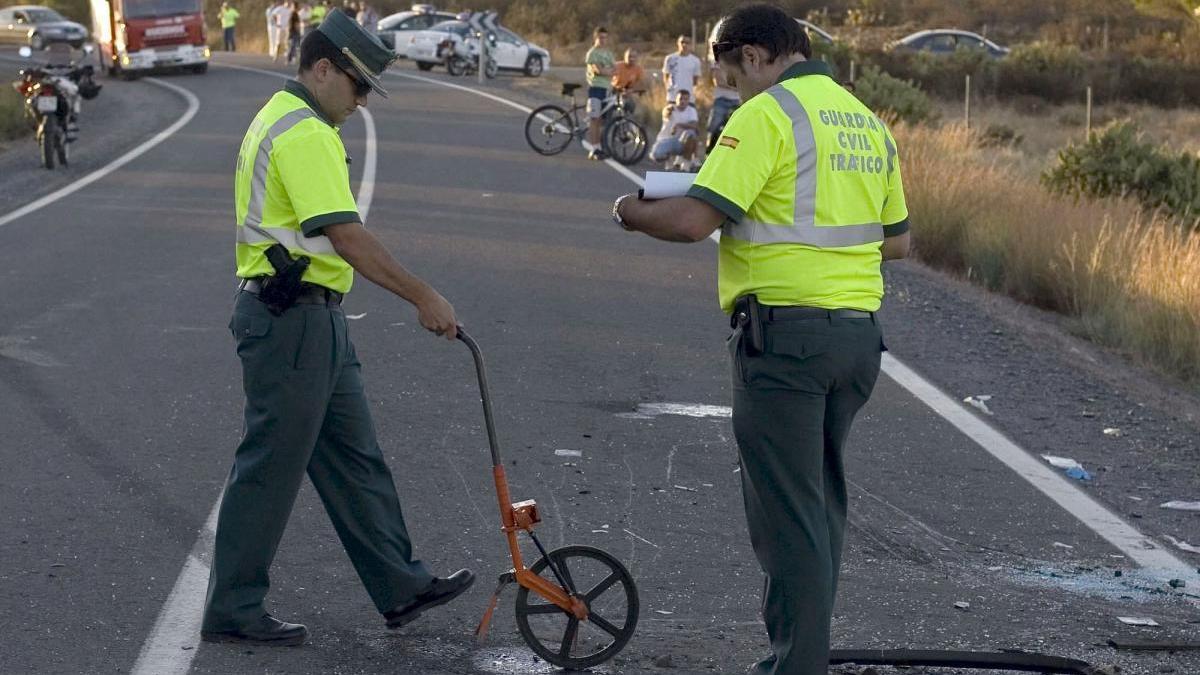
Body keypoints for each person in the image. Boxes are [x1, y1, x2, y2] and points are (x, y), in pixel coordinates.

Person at [611, 4, 911, 673]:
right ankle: (803, 652)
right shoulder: (865, 120)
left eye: (729, 75)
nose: (730, 91)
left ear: (753, 55)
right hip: (857, 339)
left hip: (786, 342)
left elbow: (692, 221)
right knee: (820, 506)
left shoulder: (768, 115)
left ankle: (797, 663)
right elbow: (900, 240)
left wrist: (629, 211)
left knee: (787, 518)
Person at [201, 9, 475, 647]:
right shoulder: (305, 131)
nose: (359, 102)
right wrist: (422, 295)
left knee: (355, 458)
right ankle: (233, 607)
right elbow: (346, 235)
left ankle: (401, 586)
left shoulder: (286, 117)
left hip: (309, 319)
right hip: (291, 319)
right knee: (270, 466)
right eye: (356, 86)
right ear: (322, 68)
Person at [583, 26, 615, 161]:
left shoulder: (609, 54)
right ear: (595, 38)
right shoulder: (592, 53)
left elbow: (614, 71)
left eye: (605, 38)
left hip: (607, 89)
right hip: (595, 88)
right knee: (594, 119)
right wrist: (605, 70)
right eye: (600, 37)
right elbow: (597, 70)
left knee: (602, 120)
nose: (603, 40)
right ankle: (594, 148)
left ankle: (600, 147)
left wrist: (605, 70)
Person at [649, 88, 700, 171]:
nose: (683, 101)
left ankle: (684, 164)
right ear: (676, 99)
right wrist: (667, 111)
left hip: (681, 142)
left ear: (688, 100)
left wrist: (679, 125)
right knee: (656, 154)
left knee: (691, 133)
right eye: (680, 99)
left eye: (685, 99)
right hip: (666, 140)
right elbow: (666, 114)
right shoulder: (670, 109)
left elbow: (694, 125)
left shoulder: (691, 110)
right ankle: (669, 157)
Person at [705, 57, 740, 153]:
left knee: (735, 130)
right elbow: (718, 81)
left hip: (737, 101)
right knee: (714, 125)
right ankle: (709, 151)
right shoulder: (718, 60)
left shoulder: (739, 59)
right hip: (721, 100)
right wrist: (737, 87)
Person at [662, 34, 702, 101]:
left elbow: (695, 80)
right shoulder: (670, 58)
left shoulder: (695, 61)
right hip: (673, 96)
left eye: (687, 43)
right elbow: (666, 76)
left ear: (690, 45)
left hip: (688, 97)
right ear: (678, 43)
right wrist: (668, 88)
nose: (684, 45)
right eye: (682, 42)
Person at [611, 47, 645, 113]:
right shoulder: (618, 66)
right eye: (629, 56)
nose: (631, 59)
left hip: (628, 91)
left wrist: (632, 90)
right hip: (615, 90)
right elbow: (607, 75)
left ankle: (627, 120)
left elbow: (641, 83)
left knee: (631, 106)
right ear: (625, 57)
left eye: (634, 57)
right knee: (610, 109)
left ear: (637, 58)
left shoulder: (639, 69)